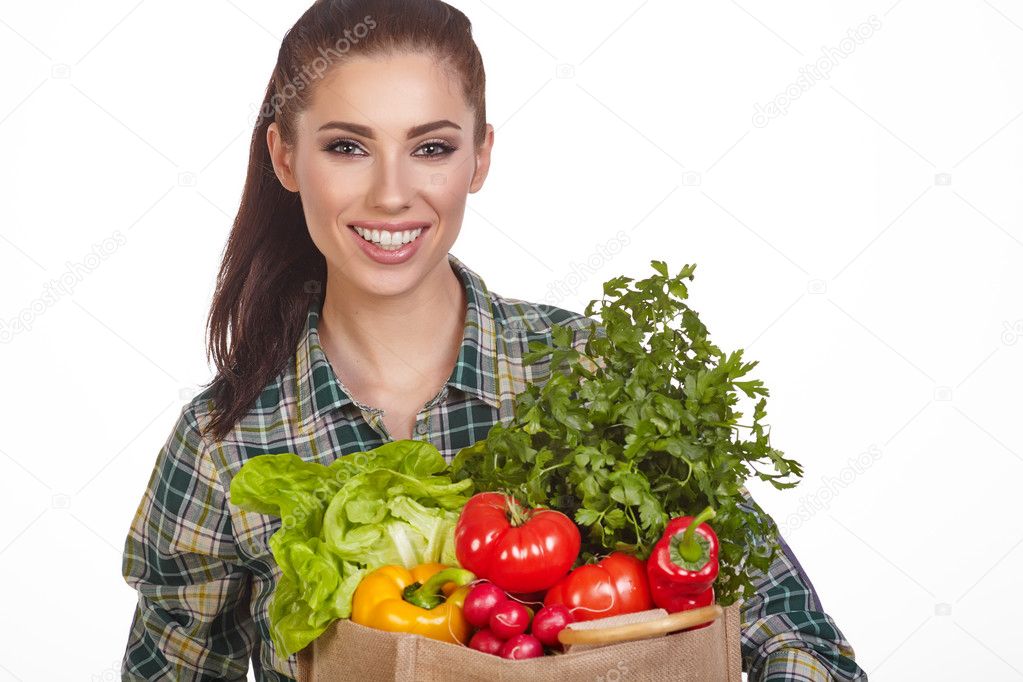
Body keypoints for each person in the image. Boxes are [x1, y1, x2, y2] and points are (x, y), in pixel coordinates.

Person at [119, 1, 867, 680]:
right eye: (347, 147)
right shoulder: (226, 443)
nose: (389, 192)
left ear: (479, 157)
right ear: (285, 157)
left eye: (431, 148)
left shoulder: (588, 373)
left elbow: (800, 642)